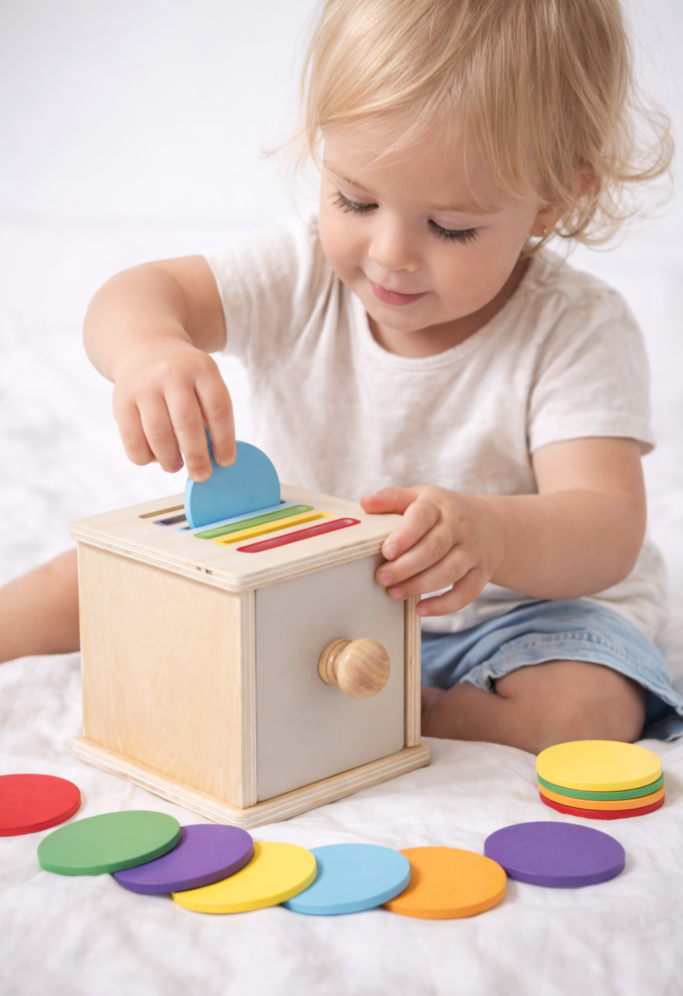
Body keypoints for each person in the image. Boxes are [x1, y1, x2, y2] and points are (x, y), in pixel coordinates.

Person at [2, 0, 681, 752]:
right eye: (354, 200)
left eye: (450, 226)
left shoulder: (576, 324)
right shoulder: (299, 273)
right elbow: (136, 295)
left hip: (515, 618)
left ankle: (403, 714)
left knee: (583, 712)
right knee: (99, 571)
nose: (389, 253)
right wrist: (148, 350)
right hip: (311, 588)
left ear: (551, 203)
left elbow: (604, 525)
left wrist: (490, 531)